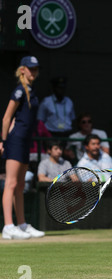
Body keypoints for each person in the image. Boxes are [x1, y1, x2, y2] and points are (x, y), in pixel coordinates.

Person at [1, 56, 45, 240]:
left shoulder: (31, 91)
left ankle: (22, 224)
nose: (33, 72)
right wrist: (3, 141)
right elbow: (6, 118)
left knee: (20, 185)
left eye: (35, 68)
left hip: (26, 141)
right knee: (11, 183)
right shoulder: (19, 91)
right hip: (15, 140)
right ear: (22, 70)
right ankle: (8, 226)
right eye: (30, 68)